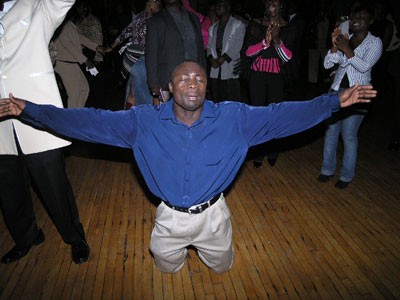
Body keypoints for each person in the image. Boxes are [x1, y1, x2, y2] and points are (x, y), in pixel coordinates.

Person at [0, 61, 377, 273]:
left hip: (215, 217)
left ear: (206, 87)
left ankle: (216, 254)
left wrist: (332, 102)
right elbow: (87, 122)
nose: (192, 83)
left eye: (199, 77)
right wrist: (30, 110)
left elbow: (284, 115)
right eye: (184, 77)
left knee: (222, 267)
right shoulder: (142, 122)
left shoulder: (235, 119)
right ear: (169, 86)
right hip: (168, 219)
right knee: (167, 268)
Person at [0, 0, 89, 265]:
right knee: (9, 190)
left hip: (35, 117)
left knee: (54, 187)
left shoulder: (36, 6)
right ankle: (27, 237)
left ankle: (75, 238)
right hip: (2, 127)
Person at [317, 4, 382, 189]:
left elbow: (364, 66)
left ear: (370, 21)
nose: (356, 19)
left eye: (361, 17)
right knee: (330, 132)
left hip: (358, 94)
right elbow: (328, 64)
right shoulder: (348, 38)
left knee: (348, 135)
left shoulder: (375, 43)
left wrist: (346, 49)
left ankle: (346, 175)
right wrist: (335, 47)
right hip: (337, 90)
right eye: (354, 17)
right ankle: (327, 169)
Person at [243, 0, 296, 168]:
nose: (272, 4)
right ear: (265, 5)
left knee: (275, 115)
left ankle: (273, 149)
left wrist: (277, 39)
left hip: (277, 77)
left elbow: (288, 58)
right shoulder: (255, 24)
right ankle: (258, 152)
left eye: (276, 1)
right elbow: (248, 52)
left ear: (281, 5)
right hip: (257, 75)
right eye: (268, 1)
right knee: (258, 114)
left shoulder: (289, 27)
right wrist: (265, 42)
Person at [101, 0, 161, 108]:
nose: (159, 6)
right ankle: (141, 119)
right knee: (144, 96)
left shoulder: (139, 18)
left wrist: (111, 47)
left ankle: (129, 118)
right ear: (151, 3)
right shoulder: (153, 20)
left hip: (131, 60)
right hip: (143, 61)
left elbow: (125, 33)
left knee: (132, 90)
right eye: (158, 3)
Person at [145, 0, 206, 105]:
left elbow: (200, 49)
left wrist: (204, 75)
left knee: (190, 115)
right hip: (167, 80)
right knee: (166, 116)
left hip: (193, 78)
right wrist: (153, 82)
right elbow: (151, 53)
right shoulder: (155, 21)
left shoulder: (193, 18)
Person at [53, 10, 98, 108]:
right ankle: (71, 119)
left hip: (70, 62)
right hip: (64, 63)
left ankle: (77, 114)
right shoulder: (60, 23)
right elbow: (68, 45)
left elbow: (80, 37)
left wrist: (97, 47)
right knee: (74, 94)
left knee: (84, 89)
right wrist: (85, 60)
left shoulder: (67, 23)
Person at [206, 0, 246, 102]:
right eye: (217, 5)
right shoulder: (213, 27)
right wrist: (211, 58)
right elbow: (209, 46)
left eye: (221, 5)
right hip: (216, 67)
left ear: (228, 8)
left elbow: (237, 44)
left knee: (231, 99)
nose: (217, 7)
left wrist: (224, 58)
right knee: (217, 99)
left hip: (229, 65)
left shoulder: (238, 24)